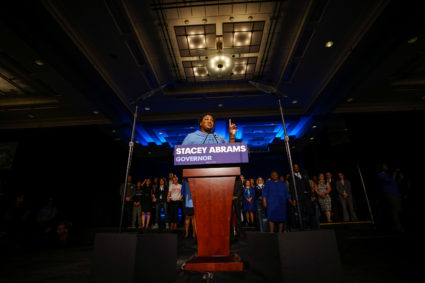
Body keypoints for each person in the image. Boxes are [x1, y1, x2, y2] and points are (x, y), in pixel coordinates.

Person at [377, 163, 402, 232]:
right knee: (394, 211)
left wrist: (399, 177)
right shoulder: (380, 175)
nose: (386, 166)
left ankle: (394, 227)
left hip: (396, 194)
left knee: (398, 211)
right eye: (384, 165)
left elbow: (395, 183)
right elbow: (390, 181)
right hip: (389, 194)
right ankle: (397, 228)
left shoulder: (388, 175)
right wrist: (394, 172)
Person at [289, 164, 315, 229]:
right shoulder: (291, 177)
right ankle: (303, 226)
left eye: (297, 167)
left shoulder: (303, 175)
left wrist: (311, 195)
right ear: (293, 169)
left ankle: (311, 226)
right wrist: (294, 199)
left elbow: (308, 185)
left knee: (310, 211)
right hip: (299, 197)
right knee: (301, 212)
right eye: (295, 167)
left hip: (306, 196)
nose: (296, 168)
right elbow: (292, 188)